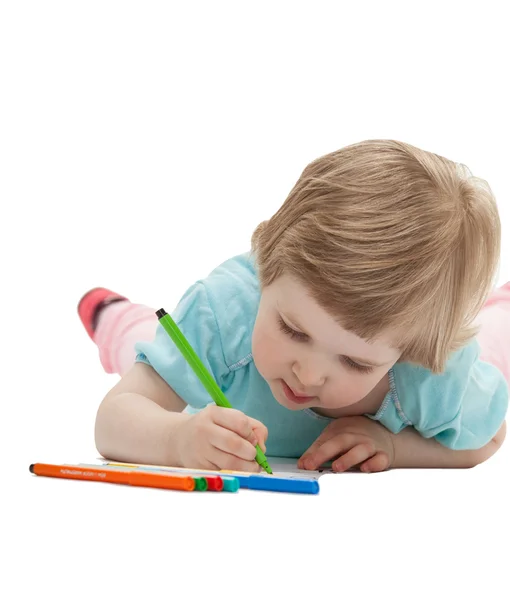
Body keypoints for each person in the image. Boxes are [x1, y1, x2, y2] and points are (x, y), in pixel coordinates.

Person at [78, 139, 508, 474]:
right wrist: (176, 438)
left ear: (409, 351)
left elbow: (488, 438)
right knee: (140, 344)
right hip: (207, 348)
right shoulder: (224, 317)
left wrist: (395, 447)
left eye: (356, 362)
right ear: (266, 263)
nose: (308, 373)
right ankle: (113, 317)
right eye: (294, 330)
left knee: (495, 333)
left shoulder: (431, 373)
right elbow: (114, 419)